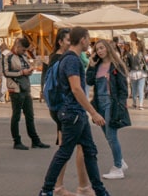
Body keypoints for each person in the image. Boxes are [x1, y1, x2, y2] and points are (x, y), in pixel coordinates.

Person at [38, 26, 110, 196]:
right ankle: (47, 190)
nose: (89, 43)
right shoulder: (72, 60)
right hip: (73, 113)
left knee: (89, 151)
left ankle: (99, 190)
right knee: (64, 152)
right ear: (83, 39)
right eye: (88, 39)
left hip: (75, 113)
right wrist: (93, 112)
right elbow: (76, 89)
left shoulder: (70, 58)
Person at [90, 38, 129, 181]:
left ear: (107, 48)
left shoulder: (116, 65)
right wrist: (91, 66)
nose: (99, 51)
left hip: (111, 104)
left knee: (111, 136)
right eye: (97, 49)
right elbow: (88, 81)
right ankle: (121, 161)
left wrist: (120, 105)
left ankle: (118, 167)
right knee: (108, 136)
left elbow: (123, 89)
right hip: (99, 104)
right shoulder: (97, 65)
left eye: (101, 48)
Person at [6, 36, 47, 149]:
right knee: (16, 115)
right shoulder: (8, 57)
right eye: (23, 49)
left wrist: (29, 71)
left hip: (25, 88)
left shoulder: (23, 56)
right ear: (17, 46)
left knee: (30, 115)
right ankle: (17, 141)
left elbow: (27, 67)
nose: (24, 52)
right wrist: (22, 72)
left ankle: (35, 140)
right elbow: (6, 72)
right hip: (15, 89)